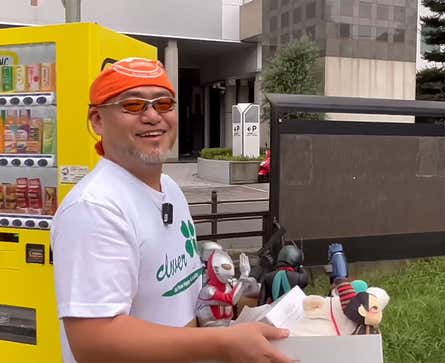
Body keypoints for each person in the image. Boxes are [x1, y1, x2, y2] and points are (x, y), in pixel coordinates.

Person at [51, 57, 293, 363]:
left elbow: (175, 294)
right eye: (133, 105)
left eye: (163, 103)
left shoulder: (170, 189)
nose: (153, 116)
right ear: (97, 119)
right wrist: (221, 342)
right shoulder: (95, 208)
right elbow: (93, 340)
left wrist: (246, 300)